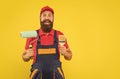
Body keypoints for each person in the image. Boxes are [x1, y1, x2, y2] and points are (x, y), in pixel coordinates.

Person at [22, 6, 72, 79]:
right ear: (40, 18)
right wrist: (26, 56)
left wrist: (65, 53)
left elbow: (69, 56)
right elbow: (24, 57)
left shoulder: (60, 35)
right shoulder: (32, 35)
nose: (47, 18)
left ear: (53, 18)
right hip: (37, 75)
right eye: (44, 15)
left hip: (56, 75)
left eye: (49, 15)